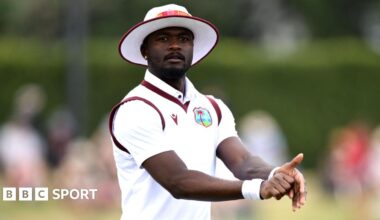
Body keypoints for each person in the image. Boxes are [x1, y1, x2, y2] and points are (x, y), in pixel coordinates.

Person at [109, 4, 306, 220]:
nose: (175, 46)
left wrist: (276, 174)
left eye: (184, 39)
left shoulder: (213, 107)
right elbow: (178, 182)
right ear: (145, 50)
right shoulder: (136, 109)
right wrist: (257, 189)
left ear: (193, 47)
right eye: (163, 39)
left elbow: (242, 162)